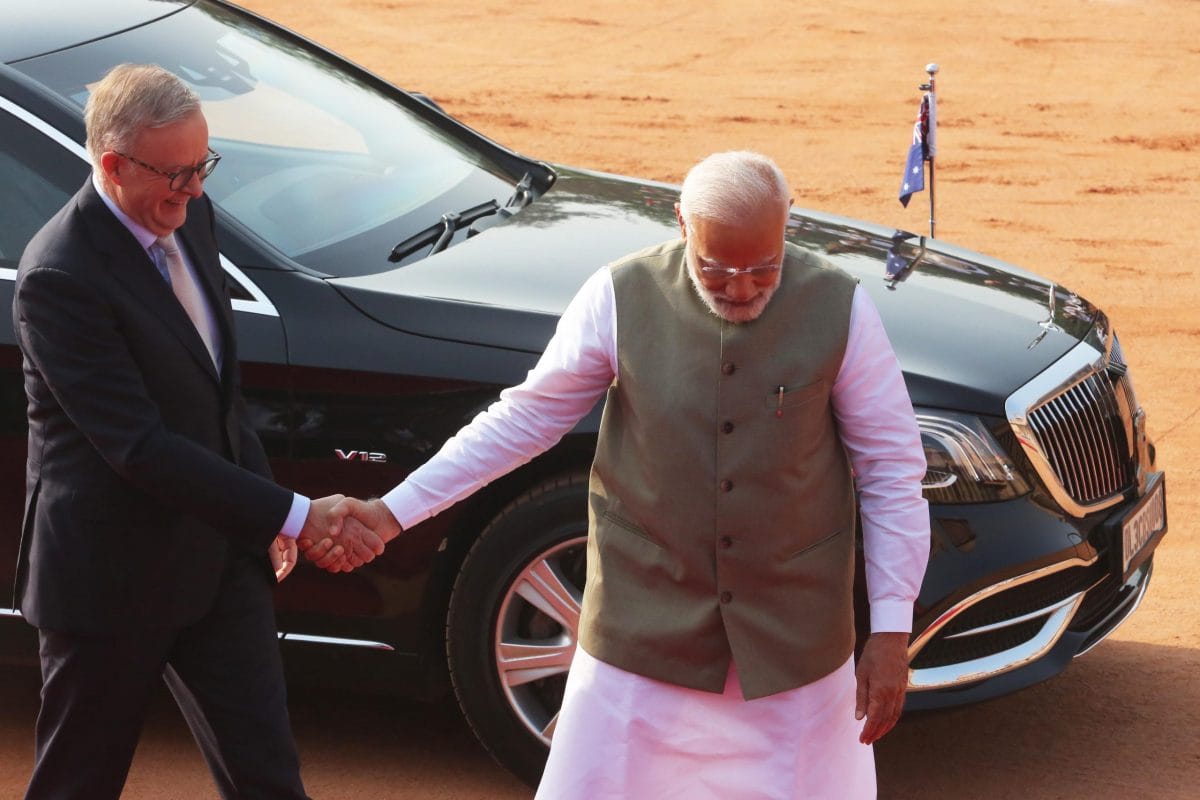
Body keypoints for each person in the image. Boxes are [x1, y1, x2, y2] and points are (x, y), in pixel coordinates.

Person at [321, 150, 930, 798]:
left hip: (796, 645)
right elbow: (523, 421)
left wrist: (892, 631)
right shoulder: (618, 295)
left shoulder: (841, 307)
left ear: (788, 227)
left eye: (764, 269)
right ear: (680, 225)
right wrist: (393, 511)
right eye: (717, 270)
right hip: (640, 637)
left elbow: (892, 468)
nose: (743, 289)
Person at [12, 64, 382, 800]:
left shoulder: (191, 216)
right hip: (109, 581)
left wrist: (262, 512)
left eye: (201, 167)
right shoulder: (60, 277)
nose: (193, 190)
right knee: (77, 783)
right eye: (174, 175)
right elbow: (138, 446)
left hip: (218, 563)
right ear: (113, 165)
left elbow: (217, 397)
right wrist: (296, 516)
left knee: (269, 780)